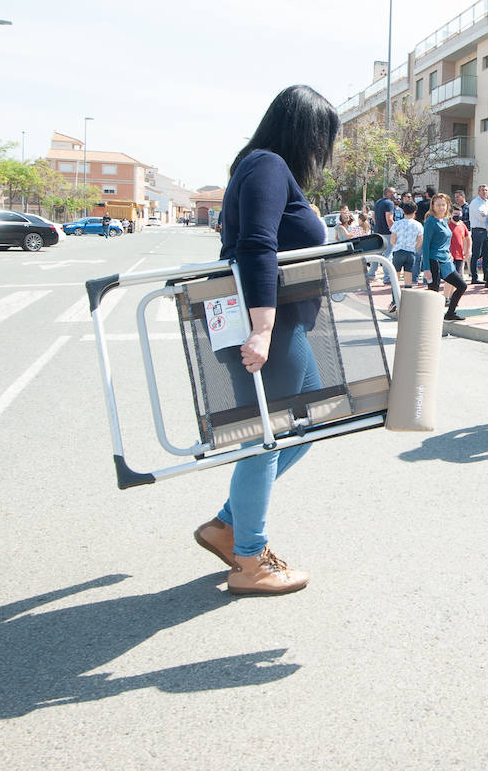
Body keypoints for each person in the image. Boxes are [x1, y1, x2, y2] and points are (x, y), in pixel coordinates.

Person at [193, 83, 339, 595]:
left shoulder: (259, 167)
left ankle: (228, 526)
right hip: (272, 329)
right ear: (304, 133)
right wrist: (261, 329)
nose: (322, 152)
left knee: (310, 424)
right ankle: (250, 560)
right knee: (266, 439)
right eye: (322, 138)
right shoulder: (268, 166)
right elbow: (257, 246)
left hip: (283, 326)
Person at [422, 193, 466, 322]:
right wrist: (426, 268)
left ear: (447, 206)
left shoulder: (445, 220)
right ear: (433, 206)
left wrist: (449, 253)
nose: (441, 207)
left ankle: (450, 313)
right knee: (434, 292)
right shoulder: (430, 222)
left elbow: (446, 241)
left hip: (446, 261)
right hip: (434, 260)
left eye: (443, 204)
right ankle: (429, 322)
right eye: (438, 205)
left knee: (462, 285)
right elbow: (425, 245)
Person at [390, 202, 423, 289]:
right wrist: (413, 246)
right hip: (411, 252)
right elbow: (420, 241)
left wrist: (396, 244)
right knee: (408, 276)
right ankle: (408, 298)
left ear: (403, 211)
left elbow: (392, 240)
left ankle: (395, 299)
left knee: (396, 276)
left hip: (398, 251)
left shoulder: (397, 224)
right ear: (414, 212)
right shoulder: (418, 225)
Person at [367, 186, 396, 282]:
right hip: (387, 232)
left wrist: (377, 225)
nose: (394, 195)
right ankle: (387, 277)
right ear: (387, 193)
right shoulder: (389, 203)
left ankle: (371, 274)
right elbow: (389, 219)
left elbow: (374, 216)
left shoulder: (378, 202)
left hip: (378, 231)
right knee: (388, 254)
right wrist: (395, 230)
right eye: (392, 193)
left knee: (377, 254)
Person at [470, 184, 488, 285]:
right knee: (476, 255)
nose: (484, 192)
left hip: (486, 231)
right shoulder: (475, 203)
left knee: (486, 254)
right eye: (482, 190)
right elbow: (481, 217)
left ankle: (486, 276)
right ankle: (474, 277)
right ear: (478, 192)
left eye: (486, 190)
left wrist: (487, 215)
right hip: (478, 231)